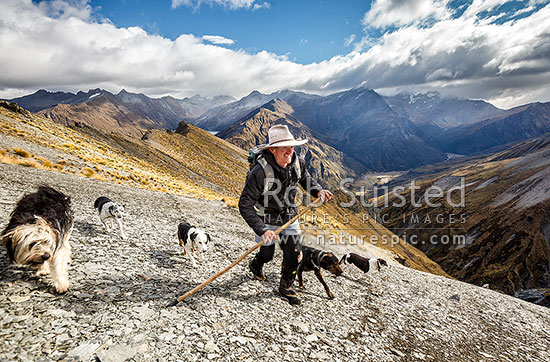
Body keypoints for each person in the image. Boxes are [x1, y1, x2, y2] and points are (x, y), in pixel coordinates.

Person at [238, 125, 333, 305]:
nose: (290, 151)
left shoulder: (298, 162)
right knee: (267, 254)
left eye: (292, 146)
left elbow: (305, 179)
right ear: (272, 149)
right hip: (266, 219)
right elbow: (245, 204)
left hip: (289, 216)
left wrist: (318, 191)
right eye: (285, 147)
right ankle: (257, 264)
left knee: (295, 253)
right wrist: (262, 229)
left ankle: (286, 287)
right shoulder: (259, 172)